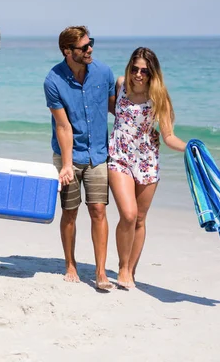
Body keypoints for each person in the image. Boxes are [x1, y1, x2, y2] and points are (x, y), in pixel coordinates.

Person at [43, 26, 115, 290]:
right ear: (68, 51)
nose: (90, 50)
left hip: (98, 154)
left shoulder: (104, 72)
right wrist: (66, 164)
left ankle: (100, 272)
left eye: (90, 43)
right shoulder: (53, 80)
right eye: (84, 47)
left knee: (98, 210)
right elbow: (63, 126)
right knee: (69, 212)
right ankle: (70, 263)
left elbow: (114, 107)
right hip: (68, 155)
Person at [108, 47, 186, 289]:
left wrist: (190, 147)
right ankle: (122, 266)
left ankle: (130, 271)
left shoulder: (160, 98)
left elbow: (169, 136)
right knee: (128, 214)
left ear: (152, 73)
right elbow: (114, 110)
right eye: (135, 69)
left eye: (144, 70)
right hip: (119, 157)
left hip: (147, 161)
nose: (138, 74)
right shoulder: (120, 85)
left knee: (140, 219)